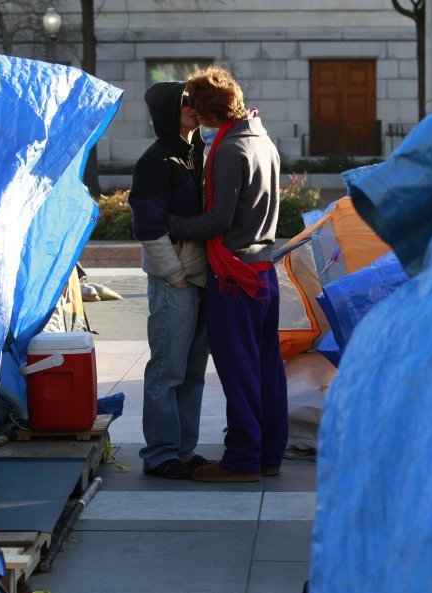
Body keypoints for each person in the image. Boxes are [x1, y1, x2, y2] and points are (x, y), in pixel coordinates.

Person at [169, 65, 288, 482]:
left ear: (208, 111)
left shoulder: (229, 150)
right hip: (263, 273)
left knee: (238, 373)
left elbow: (218, 219)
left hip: (233, 275)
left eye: (197, 109)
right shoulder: (263, 140)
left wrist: (178, 226)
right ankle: (269, 455)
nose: (194, 118)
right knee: (266, 369)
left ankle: (241, 460)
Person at [128, 81, 212, 479]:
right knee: (167, 370)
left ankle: (183, 448)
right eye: (184, 104)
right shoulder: (155, 161)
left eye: (196, 103)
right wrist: (175, 276)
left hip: (200, 281)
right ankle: (161, 454)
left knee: (192, 371)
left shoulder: (196, 154)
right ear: (167, 111)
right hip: (175, 282)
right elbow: (148, 228)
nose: (193, 109)